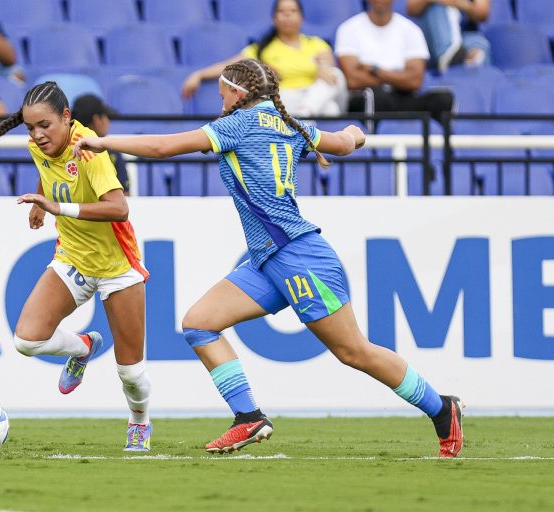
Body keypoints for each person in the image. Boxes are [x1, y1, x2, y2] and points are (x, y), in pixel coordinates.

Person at [73, 58, 464, 458]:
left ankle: (441, 408)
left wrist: (104, 142)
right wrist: (354, 132)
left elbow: (161, 146)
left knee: (353, 351)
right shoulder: (291, 125)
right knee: (199, 324)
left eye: (222, 89)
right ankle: (248, 416)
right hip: (268, 260)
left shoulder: (236, 125)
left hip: (298, 257)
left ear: (238, 93)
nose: (219, 96)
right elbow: (346, 143)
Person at [0, 81, 153, 451]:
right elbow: (50, 169)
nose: (37, 135)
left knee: (131, 374)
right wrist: (43, 200)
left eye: (45, 125)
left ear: (67, 118)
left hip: (116, 265)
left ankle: (140, 421)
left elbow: (119, 208)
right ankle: (83, 347)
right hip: (72, 257)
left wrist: (59, 207)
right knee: (27, 340)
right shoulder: (38, 147)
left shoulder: (89, 151)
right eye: (30, 128)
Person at [181, 0, 347, 117]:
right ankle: (309, 119)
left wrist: (323, 66)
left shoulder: (315, 43)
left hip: (314, 94)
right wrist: (199, 74)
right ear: (274, 18)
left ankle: (307, 112)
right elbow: (231, 65)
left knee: (336, 75)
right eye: (282, 12)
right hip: (288, 97)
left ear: (302, 17)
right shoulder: (262, 50)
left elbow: (329, 67)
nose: (287, 16)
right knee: (330, 110)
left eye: (293, 11)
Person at [335, 0, 453, 124]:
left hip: (404, 96)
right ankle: (372, 141)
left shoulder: (411, 29)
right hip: (368, 96)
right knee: (377, 96)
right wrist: (399, 76)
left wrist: (375, 70)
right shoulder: (348, 28)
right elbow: (353, 80)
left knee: (443, 99)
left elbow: (415, 81)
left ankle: (440, 142)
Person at [406, 0, 491, 72]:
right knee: (437, 7)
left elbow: (482, 13)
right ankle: (449, 54)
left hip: (465, 36)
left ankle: (460, 65)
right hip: (432, 42)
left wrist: (456, 3)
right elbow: (412, 9)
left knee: (479, 53)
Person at [71, 94, 129, 193]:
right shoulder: (111, 150)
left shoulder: (62, 148)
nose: (108, 122)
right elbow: (125, 196)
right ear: (97, 120)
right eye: (107, 117)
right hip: (106, 207)